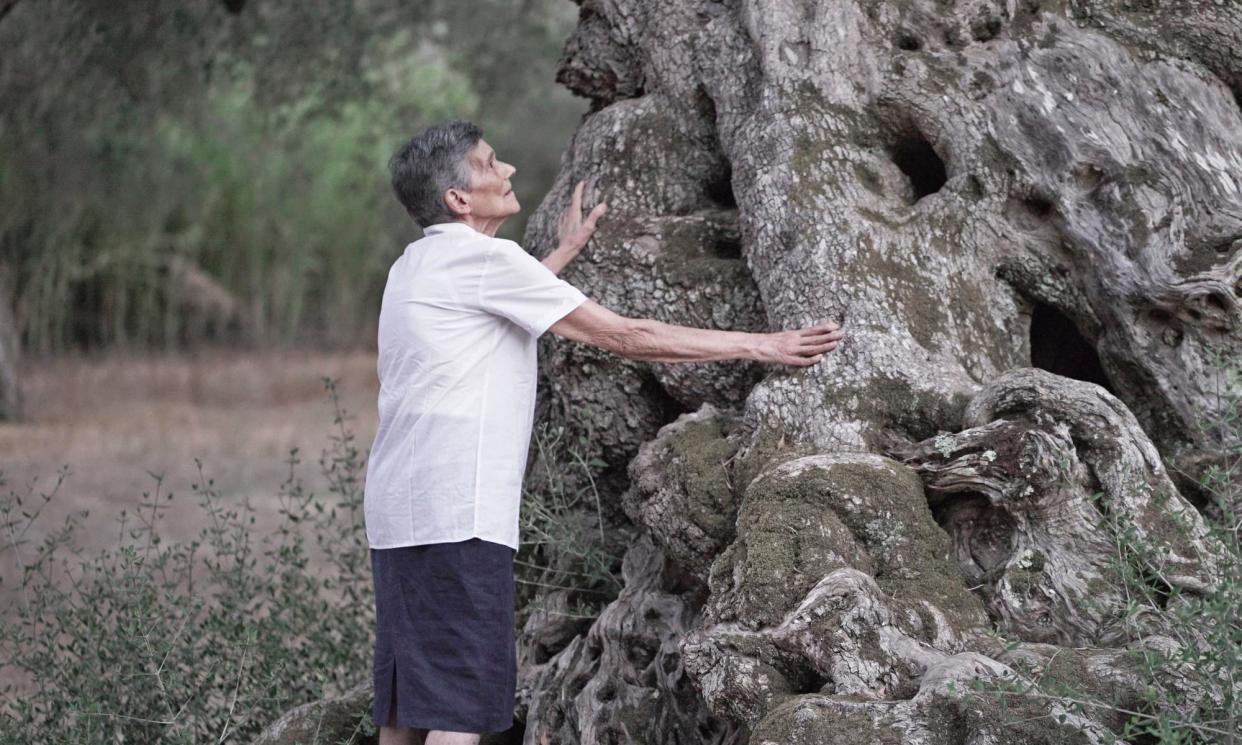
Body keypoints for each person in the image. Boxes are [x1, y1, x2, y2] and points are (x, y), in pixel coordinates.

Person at [365, 120, 844, 745]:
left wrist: (560, 255)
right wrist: (762, 343)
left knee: (407, 704)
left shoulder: (417, 264)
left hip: (399, 514)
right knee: (461, 710)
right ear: (459, 199)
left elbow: (489, 309)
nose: (506, 171)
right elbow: (624, 335)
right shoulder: (485, 260)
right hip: (458, 513)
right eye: (489, 165)